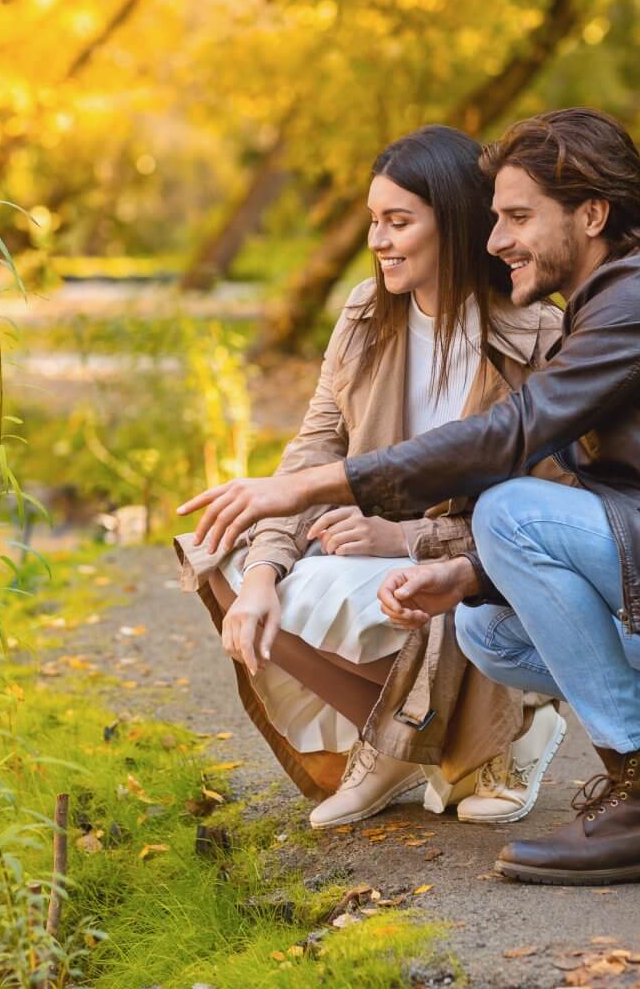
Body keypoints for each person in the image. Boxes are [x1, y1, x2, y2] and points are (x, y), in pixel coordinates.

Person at [177, 107, 640, 886]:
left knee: (510, 508)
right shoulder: (604, 307)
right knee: (491, 633)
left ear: (591, 214)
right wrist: (469, 576)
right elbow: (609, 508)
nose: (496, 239)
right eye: (494, 217)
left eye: (516, 217)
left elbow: (512, 438)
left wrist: (318, 487)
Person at [173, 125, 568, 831]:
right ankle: (393, 748)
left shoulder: (538, 334)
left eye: (398, 222)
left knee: (427, 591)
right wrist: (262, 576)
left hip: (480, 571)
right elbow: (312, 452)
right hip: (374, 557)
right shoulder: (364, 314)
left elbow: (554, 506)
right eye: (372, 221)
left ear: (454, 224)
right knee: (226, 559)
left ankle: (519, 729)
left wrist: (404, 536)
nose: (378, 240)